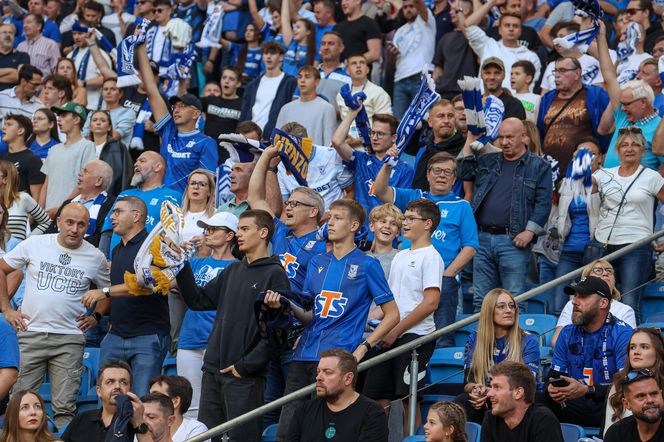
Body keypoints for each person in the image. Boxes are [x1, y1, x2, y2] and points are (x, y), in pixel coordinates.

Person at [272, 199, 400, 439]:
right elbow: (310, 315)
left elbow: (392, 314)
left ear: (354, 226)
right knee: (288, 431)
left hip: (339, 357)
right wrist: (288, 304)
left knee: (325, 432)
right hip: (304, 354)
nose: (330, 223)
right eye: (330, 218)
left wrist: (364, 347)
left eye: (337, 218)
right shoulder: (317, 262)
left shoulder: (367, 265)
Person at [175, 209, 290, 441]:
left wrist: (245, 366)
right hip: (213, 369)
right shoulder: (233, 270)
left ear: (264, 233)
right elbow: (198, 300)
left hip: (244, 376)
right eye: (239, 229)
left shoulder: (275, 274)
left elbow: (278, 332)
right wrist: (180, 266)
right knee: (209, 436)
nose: (239, 234)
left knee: (242, 437)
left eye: (245, 229)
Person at [0, 203, 110, 430]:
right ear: (58, 221)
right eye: (70, 222)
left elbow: (107, 292)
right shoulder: (35, 243)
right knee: (18, 402)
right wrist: (7, 310)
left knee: (65, 407)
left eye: (82, 224)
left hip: (69, 338)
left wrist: (97, 316)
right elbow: (2, 268)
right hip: (31, 334)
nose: (75, 229)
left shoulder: (95, 256)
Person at [374, 151, 478, 347]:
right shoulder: (415, 198)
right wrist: (388, 164)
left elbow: (471, 246)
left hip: (441, 281)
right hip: (408, 277)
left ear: (454, 178)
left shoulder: (461, 206)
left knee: (440, 338)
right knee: (400, 334)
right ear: (428, 174)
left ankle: (435, 376)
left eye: (448, 172)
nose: (442, 175)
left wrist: (448, 274)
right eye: (437, 170)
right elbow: (380, 191)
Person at [363, 199, 443, 428]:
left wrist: (394, 330)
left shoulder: (431, 256)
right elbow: (391, 301)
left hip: (414, 337)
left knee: (409, 399)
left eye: (410, 218)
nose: (404, 223)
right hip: (390, 332)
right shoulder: (400, 255)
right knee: (377, 398)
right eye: (405, 218)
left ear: (427, 224)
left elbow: (431, 303)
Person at [459, 118, 552, 307]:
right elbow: (463, 171)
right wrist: (470, 139)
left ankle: (514, 338)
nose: (504, 142)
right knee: (481, 301)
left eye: (510, 137)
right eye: (501, 137)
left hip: (513, 239)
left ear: (524, 137)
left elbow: (544, 203)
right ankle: (482, 337)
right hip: (482, 237)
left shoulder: (538, 165)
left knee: (514, 299)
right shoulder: (489, 159)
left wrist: (530, 231)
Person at [82, 197, 170, 397]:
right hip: (116, 336)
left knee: (141, 401)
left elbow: (145, 286)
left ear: (137, 215)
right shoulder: (117, 249)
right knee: (106, 400)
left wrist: (103, 291)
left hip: (147, 336)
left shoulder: (155, 245)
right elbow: (119, 293)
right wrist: (104, 321)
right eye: (113, 212)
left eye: (118, 211)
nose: (112, 217)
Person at [592, 127, 664, 322]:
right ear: (618, 149)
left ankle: (630, 347)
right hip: (604, 243)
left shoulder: (652, 177)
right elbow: (587, 201)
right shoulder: (603, 175)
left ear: (643, 150)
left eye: (635, 145)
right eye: (624, 145)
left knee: (630, 300)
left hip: (636, 245)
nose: (629, 149)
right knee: (598, 298)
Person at [545, 276, 634, 428]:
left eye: (583, 296)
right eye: (575, 296)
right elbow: (554, 375)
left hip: (607, 406)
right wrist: (552, 388)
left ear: (603, 303)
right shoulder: (566, 333)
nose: (574, 301)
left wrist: (588, 390)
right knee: (534, 400)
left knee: (624, 401)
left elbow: (627, 385)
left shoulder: (623, 333)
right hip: (573, 405)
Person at [176, 212, 238, 421]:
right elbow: (166, 283)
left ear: (230, 235)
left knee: (215, 404)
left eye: (213, 229)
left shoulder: (238, 267)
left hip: (218, 342)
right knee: (189, 404)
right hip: (189, 338)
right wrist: (174, 255)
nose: (207, 233)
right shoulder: (195, 263)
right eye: (206, 229)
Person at [135, 41, 218, 194]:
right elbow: (151, 89)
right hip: (159, 200)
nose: (176, 110)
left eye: (183, 106)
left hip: (184, 207)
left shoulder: (206, 143)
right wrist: (141, 49)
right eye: (175, 106)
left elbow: (207, 184)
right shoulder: (169, 130)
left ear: (196, 114)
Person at [455, 289, 540, 423]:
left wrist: (489, 392)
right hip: (488, 397)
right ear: (489, 311)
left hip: (517, 399)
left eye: (511, 306)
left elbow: (526, 388)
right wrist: (476, 390)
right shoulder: (475, 338)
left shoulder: (528, 340)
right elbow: (467, 382)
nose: (508, 310)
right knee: (463, 400)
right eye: (501, 306)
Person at [597, 22, 662, 171]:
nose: (622, 108)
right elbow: (609, 76)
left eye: (627, 104)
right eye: (623, 104)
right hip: (608, 188)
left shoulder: (659, 127)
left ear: (644, 102)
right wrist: (601, 36)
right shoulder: (624, 116)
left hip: (638, 193)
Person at [285, 349, 389, 441]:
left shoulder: (372, 413)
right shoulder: (305, 410)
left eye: (328, 372)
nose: (318, 377)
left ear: (348, 378)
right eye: (318, 371)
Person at [332, 109, 413, 222]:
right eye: (372, 133)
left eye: (380, 134)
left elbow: (401, 207)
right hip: (359, 232)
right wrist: (352, 113)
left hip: (386, 231)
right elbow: (337, 142)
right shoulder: (361, 160)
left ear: (394, 138)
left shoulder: (405, 169)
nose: (374, 138)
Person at [99, 151, 181, 258]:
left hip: (146, 266)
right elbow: (108, 231)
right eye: (136, 161)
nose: (136, 164)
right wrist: (103, 260)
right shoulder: (124, 194)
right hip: (114, 263)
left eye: (142, 161)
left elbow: (172, 235)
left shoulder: (173, 197)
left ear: (158, 167)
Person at [552, 259, 637, 348]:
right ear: (586, 278)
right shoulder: (572, 304)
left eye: (609, 271)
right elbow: (556, 342)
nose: (605, 273)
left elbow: (628, 347)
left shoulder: (626, 310)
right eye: (598, 271)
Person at [462, 2, 541, 93]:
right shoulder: (488, 45)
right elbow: (468, 25)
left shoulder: (531, 57)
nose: (511, 29)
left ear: (520, 31)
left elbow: (529, 89)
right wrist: (492, 3)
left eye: (515, 26)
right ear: (499, 30)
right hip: (484, 102)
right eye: (507, 25)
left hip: (515, 105)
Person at [61, 361, 147, 441]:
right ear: (99, 391)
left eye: (123, 382)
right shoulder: (81, 418)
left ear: (130, 391)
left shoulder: (139, 421)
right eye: (110, 382)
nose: (117, 386)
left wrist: (139, 423)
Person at [276, 122, 353, 211]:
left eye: (295, 148)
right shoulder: (282, 165)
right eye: (287, 148)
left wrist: (332, 215)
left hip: (331, 219)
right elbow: (284, 206)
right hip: (300, 222)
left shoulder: (331, 155)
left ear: (306, 142)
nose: (290, 153)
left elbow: (351, 192)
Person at [482, 361, 564, 442]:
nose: (489, 394)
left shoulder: (543, 419)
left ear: (518, 393)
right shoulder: (491, 418)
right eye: (491, 387)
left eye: (497, 387)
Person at [39, 102, 96, 217]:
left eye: (63, 116)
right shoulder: (54, 149)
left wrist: (61, 208)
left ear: (76, 120)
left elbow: (85, 182)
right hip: (47, 214)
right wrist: (39, 212)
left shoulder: (87, 145)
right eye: (58, 116)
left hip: (71, 213)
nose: (59, 119)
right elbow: (46, 184)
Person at [604, 327, 664, 435]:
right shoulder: (618, 385)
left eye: (644, 347)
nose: (636, 352)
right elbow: (608, 431)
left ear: (658, 352)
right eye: (632, 347)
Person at [44, 160, 115, 248]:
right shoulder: (68, 203)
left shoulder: (111, 204)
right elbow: (50, 231)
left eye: (85, 171)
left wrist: (70, 243)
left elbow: (101, 238)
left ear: (99, 181)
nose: (80, 174)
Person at [240, 41, 298, 138]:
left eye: (273, 53)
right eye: (266, 53)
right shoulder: (252, 85)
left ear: (281, 57)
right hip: (250, 136)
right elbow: (245, 112)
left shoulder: (290, 82)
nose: (268, 56)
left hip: (273, 137)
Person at [390, 0, 436, 119]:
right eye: (405, 7)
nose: (408, 9)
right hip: (400, 80)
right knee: (399, 123)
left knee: (424, 120)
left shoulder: (427, 20)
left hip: (421, 77)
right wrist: (392, 54)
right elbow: (392, 62)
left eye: (411, 6)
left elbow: (419, 3)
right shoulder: (399, 31)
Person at [411, 100, 466, 190]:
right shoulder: (423, 151)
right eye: (441, 116)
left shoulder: (465, 149)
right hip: (421, 203)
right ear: (430, 122)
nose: (446, 121)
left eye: (450, 116)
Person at [276, 66, 337, 146]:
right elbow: (277, 139)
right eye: (300, 77)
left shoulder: (327, 108)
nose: (302, 80)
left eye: (307, 77)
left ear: (317, 81)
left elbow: (329, 144)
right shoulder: (285, 109)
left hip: (315, 157)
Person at [539, 22, 604, 94]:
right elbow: (543, 95)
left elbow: (599, 89)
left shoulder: (594, 62)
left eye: (561, 37)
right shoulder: (551, 65)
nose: (556, 41)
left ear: (575, 38)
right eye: (556, 37)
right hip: (553, 104)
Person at [336, 54, 392, 134]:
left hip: (371, 142)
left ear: (367, 70)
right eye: (354, 63)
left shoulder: (378, 92)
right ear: (347, 71)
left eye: (362, 63)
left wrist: (359, 140)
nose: (358, 66)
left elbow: (386, 123)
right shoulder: (341, 95)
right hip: (346, 142)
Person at [432, 0, 477, 100]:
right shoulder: (445, 37)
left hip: (466, 92)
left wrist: (459, 11)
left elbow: (468, 33)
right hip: (443, 92)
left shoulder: (476, 35)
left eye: (454, 10)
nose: (451, 12)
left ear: (466, 10)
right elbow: (438, 70)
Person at [604, 368, 664, 442]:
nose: (650, 400)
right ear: (626, 403)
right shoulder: (617, 433)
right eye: (641, 396)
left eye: (654, 394)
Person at [148, 375, 209, 441]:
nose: (148, 400)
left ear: (175, 402)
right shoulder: (142, 425)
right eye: (149, 395)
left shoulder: (196, 429)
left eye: (155, 395)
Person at [87, 109, 133, 196]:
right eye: (94, 120)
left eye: (103, 120)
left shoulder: (117, 147)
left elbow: (123, 176)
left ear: (109, 127)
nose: (98, 123)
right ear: (90, 126)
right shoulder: (85, 147)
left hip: (109, 196)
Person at [83, 78, 137, 149]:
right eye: (105, 89)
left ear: (120, 94)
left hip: (114, 155)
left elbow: (115, 136)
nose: (108, 92)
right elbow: (84, 136)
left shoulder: (128, 113)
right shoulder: (93, 113)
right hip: (91, 154)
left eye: (113, 89)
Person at [0, 160, 46, 243]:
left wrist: (27, 241)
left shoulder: (23, 198)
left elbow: (46, 222)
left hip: (16, 254)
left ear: (5, 180)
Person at [1, 114, 45, 197]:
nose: (4, 127)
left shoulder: (33, 160)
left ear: (20, 131)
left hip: (22, 209)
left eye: (9, 124)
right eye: (5, 124)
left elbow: (36, 199)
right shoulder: (2, 158)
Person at [201, 67, 243, 141]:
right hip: (207, 148)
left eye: (231, 79)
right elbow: (186, 103)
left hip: (228, 150)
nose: (226, 81)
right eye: (224, 77)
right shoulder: (210, 100)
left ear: (238, 83)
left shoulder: (243, 105)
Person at [365, 203, 403, 278]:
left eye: (393, 224)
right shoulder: (360, 257)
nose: (387, 226)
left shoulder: (402, 258)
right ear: (372, 226)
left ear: (398, 232)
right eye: (383, 221)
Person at [280, 0, 316, 77]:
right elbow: (285, 19)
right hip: (283, 84)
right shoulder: (291, 43)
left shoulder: (312, 49)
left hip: (298, 85)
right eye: (294, 27)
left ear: (308, 32)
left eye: (298, 27)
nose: (294, 29)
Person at [316, 31, 351, 109]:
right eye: (323, 44)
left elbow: (355, 109)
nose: (326, 47)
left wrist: (329, 112)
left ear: (341, 48)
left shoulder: (350, 76)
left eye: (331, 43)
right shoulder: (310, 74)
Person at [0, 24, 30, 92]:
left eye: (11, 33)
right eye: (4, 32)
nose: (8, 35)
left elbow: (21, 77)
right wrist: (12, 71)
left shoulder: (23, 56)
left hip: (12, 98)